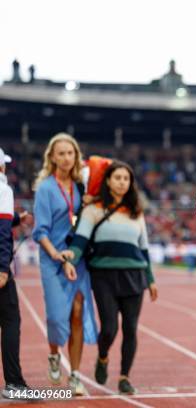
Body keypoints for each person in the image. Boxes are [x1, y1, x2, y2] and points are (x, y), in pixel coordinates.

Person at [63, 161, 158, 395]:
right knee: (109, 328)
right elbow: (80, 241)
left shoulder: (136, 212)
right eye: (117, 178)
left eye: (126, 179)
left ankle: (125, 377)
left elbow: (143, 249)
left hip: (134, 276)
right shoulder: (94, 209)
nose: (122, 182)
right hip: (103, 275)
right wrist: (69, 259)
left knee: (130, 328)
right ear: (108, 181)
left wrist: (151, 280)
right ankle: (103, 356)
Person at [32, 133, 98, 395]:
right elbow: (40, 231)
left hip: (77, 257)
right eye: (61, 153)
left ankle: (76, 375)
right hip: (52, 259)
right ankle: (53, 354)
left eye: (70, 153)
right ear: (52, 157)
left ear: (75, 155)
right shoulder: (46, 188)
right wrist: (56, 255)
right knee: (56, 316)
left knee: (78, 312)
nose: (66, 158)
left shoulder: (82, 186)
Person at [0, 148, 34, 400]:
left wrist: (16, 219)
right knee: (11, 321)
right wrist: (2, 267)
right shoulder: (3, 189)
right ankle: (14, 384)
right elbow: (1, 231)